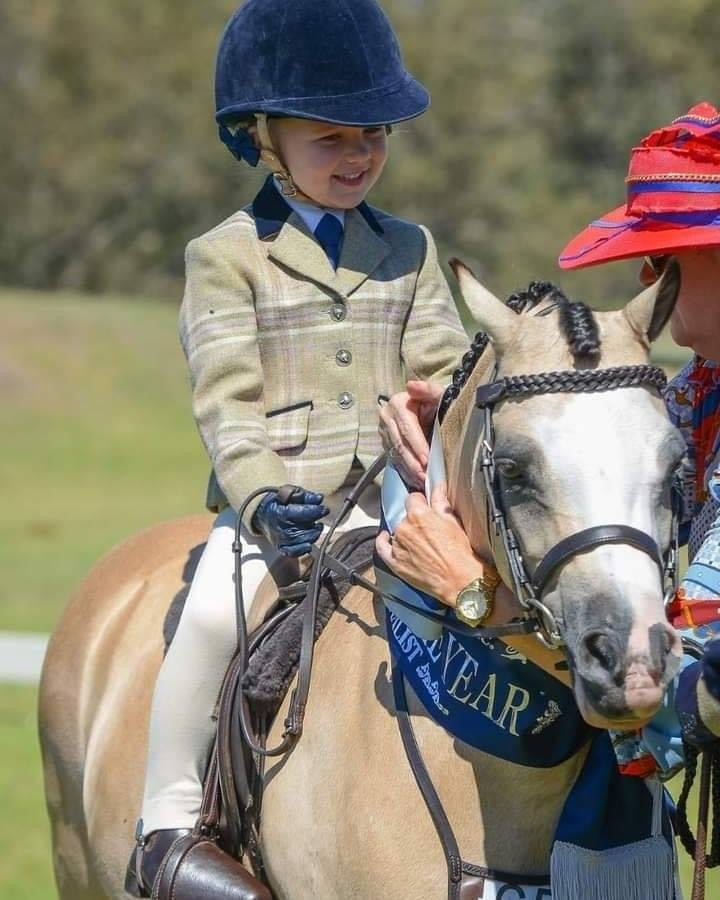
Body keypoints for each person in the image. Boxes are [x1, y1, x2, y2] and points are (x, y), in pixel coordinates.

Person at [127, 0, 469, 896]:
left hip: (394, 505)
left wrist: (440, 414)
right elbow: (226, 400)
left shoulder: (410, 247)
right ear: (263, 138)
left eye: (373, 135)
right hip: (282, 509)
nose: (358, 155)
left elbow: (443, 365)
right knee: (212, 610)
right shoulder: (225, 256)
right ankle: (163, 828)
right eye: (331, 138)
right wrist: (259, 500)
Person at [376, 101, 720, 754]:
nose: (648, 277)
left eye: (665, 254)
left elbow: (683, 700)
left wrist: (476, 597)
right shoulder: (705, 389)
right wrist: (454, 424)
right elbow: (591, 455)